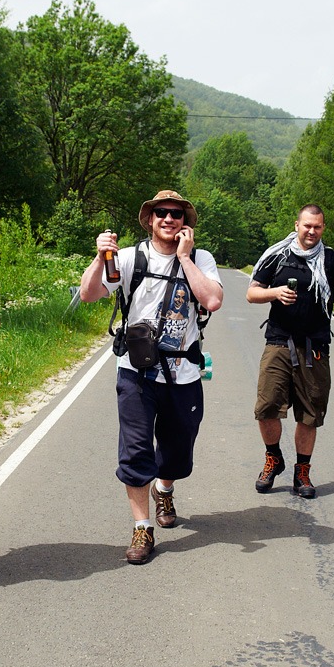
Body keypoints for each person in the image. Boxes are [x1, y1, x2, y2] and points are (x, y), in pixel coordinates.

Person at [79, 190, 223, 564]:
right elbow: (89, 294)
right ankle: (143, 528)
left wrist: (185, 259)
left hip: (184, 372)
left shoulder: (201, 258)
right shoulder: (128, 258)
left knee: (177, 452)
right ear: (150, 219)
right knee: (136, 450)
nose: (169, 219)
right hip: (136, 372)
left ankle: (165, 487)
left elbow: (212, 300)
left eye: (176, 214)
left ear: (185, 222)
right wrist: (99, 259)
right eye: (162, 213)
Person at [247, 205, 334, 498]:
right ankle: (273, 458)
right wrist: (274, 293)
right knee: (266, 409)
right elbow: (252, 292)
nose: (311, 231)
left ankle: (301, 471)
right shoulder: (277, 256)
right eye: (307, 225)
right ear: (297, 225)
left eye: (317, 227)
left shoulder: (330, 259)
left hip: (314, 348)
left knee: (309, 415)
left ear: (323, 229)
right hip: (278, 342)